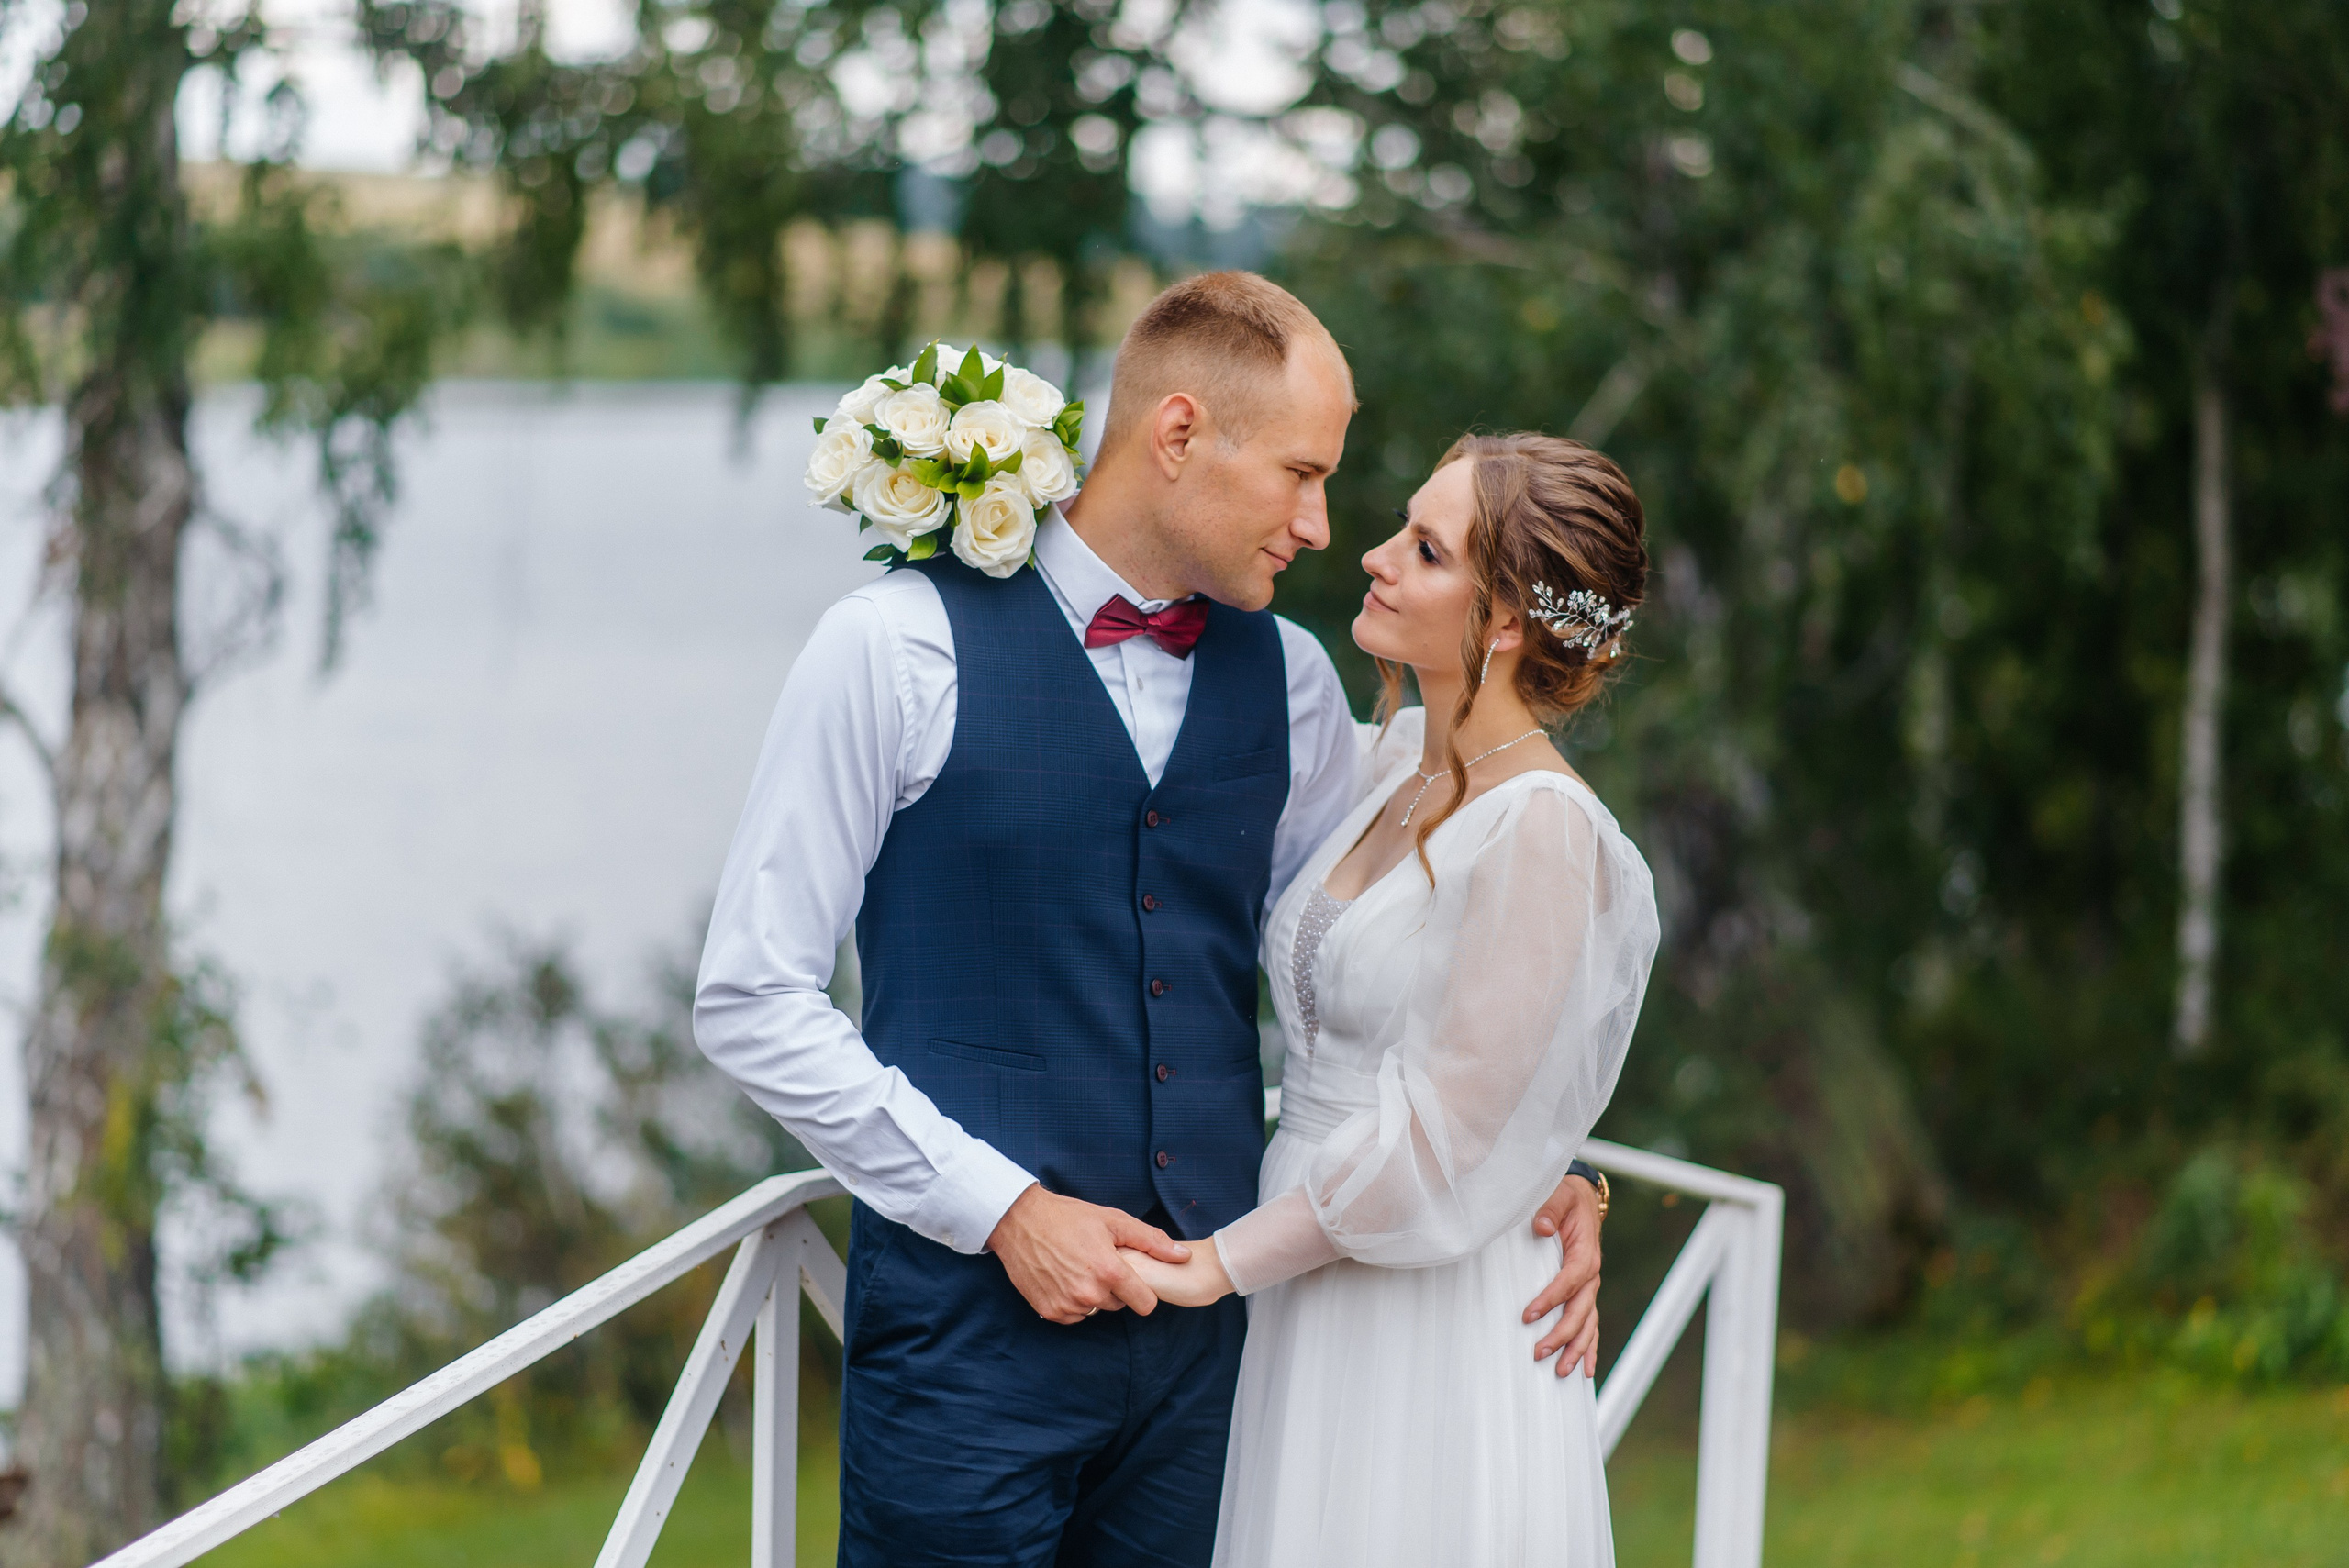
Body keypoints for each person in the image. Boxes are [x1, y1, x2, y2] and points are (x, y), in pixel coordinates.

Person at [694, 273, 1609, 1567]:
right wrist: (1004, 1207)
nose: (1319, 524)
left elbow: (1397, 947)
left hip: (1218, 1362)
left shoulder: (1294, 685)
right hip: (968, 1347)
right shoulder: (891, 650)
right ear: (1178, 433)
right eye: (1300, 473)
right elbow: (752, 999)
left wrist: (1532, 1161)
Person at [1124, 433, 1660, 1568]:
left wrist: (1221, 1261)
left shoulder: (1544, 829)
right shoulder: (1394, 757)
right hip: (1314, 1269)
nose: (1370, 555)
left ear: (1505, 617)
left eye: (1422, 549)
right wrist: (1553, 1166)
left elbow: (1440, 1135)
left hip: (1420, 1308)